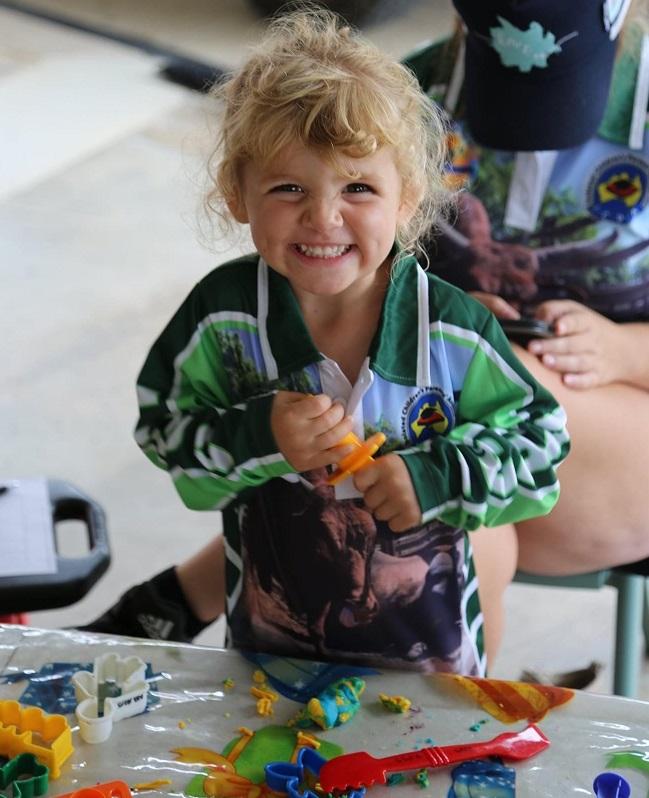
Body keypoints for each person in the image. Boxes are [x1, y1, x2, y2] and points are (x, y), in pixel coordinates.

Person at [78, 8, 569, 674]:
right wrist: (260, 436)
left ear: (408, 197)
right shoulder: (223, 320)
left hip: (431, 673)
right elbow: (167, 434)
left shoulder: (451, 331)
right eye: (287, 187)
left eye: (358, 187)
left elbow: (540, 445)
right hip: (263, 664)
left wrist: (433, 474)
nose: (323, 216)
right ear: (236, 193)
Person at [401, 0, 649, 657]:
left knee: (414, 462)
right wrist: (442, 310)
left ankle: (182, 596)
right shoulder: (408, 92)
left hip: (613, 420)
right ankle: (463, 721)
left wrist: (626, 348)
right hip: (440, 424)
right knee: (440, 503)